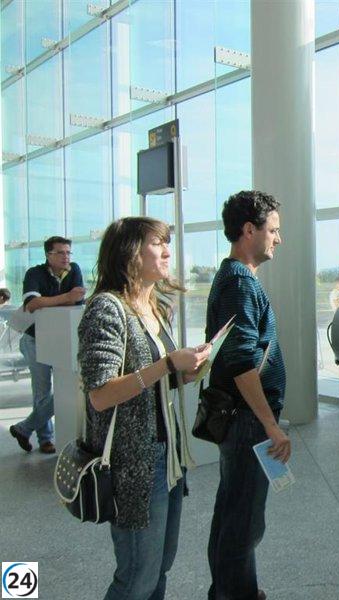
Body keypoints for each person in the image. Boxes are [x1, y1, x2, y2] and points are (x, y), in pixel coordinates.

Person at [78, 217, 210, 600]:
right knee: (137, 577)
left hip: (167, 456)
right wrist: (167, 365)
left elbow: (153, 381)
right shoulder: (107, 309)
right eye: (158, 243)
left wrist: (185, 372)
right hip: (135, 461)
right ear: (130, 253)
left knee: (159, 569)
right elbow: (100, 394)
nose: (168, 252)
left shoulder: (154, 307)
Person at [206, 190, 290, 600]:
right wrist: (271, 425)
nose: (278, 239)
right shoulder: (239, 282)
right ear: (249, 230)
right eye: (273, 230)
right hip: (247, 421)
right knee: (243, 523)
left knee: (232, 513)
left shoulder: (236, 278)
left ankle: (230, 590)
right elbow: (242, 363)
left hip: (243, 420)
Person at [9, 236, 85, 454]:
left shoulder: (74, 269)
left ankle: (24, 428)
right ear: (48, 255)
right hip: (35, 340)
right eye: (60, 252)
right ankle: (45, 439)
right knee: (42, 391)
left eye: (68, 252)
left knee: (67, 386)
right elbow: (32, 304)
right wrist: (67, 297)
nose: (66, 257)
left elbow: (77, 301)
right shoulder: (34, 273)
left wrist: (53, 300)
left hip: (63, 340)